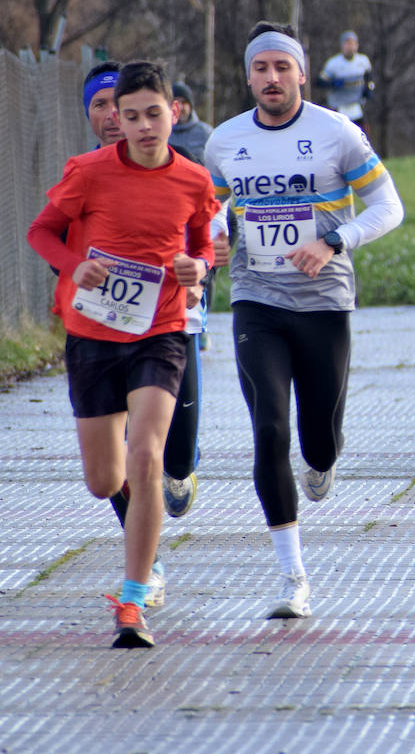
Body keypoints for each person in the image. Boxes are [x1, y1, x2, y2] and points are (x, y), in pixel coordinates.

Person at [204, 21, 404, 619]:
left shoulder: (335, 132)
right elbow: (212, 212)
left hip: (323, 300)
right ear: (248, 76)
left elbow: (389, 207)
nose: (271, 78)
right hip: (256, 300)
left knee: (318, 441)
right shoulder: (224, 141)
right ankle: (293, 576)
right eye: (261, 68)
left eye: (282, 68)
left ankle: (322, 461)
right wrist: (215, 237)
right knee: (269, 428)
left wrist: (335, 241)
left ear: (302, 73)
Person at [28, 60, 218, 647]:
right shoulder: (87, 173)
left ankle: (133, 601)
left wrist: (199, 268)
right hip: (93, 337)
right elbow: (42, 233)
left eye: (151, 114)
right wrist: (74, 265)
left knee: (146, 454)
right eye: (126, 115)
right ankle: (141, 540)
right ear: (114, 117)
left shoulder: (192, 179)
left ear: (174, 113)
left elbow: (205, 245)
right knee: (103, 478)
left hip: (160, 333)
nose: (139, 126)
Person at [317, 30, 374, 136]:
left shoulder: (363, 61)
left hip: (356, 104)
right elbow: (319, 81)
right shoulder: (333, 63)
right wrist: (333, 83)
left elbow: (369, 78)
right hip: (339, 105)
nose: (350, 47)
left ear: (356, 45)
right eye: (347, 44)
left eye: (352, 44)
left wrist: (369, 89)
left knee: (362, 135)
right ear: (342, 46)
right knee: (341, 136)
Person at [169, 82, 214, 161]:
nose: (180, 107)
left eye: (183, 102)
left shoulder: (206, 133)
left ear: (190, 105)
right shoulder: (163, 133)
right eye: (176, 102)